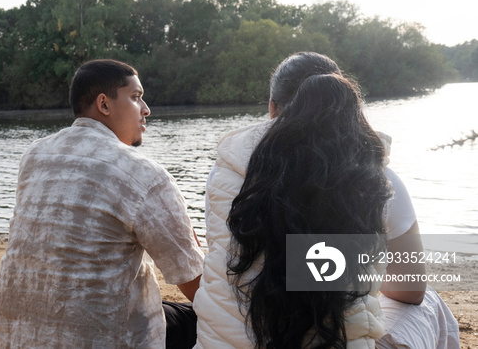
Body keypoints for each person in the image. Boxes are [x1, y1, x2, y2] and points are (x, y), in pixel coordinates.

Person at [192, 52, 459, 348]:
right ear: (348, 108)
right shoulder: (378, 178)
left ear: (272, 109)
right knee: (429, 303)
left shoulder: (224, 170)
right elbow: (411, 289)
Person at [0, 59, 204, 348]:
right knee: (206, 318)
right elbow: (195, 282)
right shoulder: (141, 173)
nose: (146, 109)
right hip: (100, 339)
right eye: (136, 97)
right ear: (104, 104)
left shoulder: (34, 156)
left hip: (14, 337)